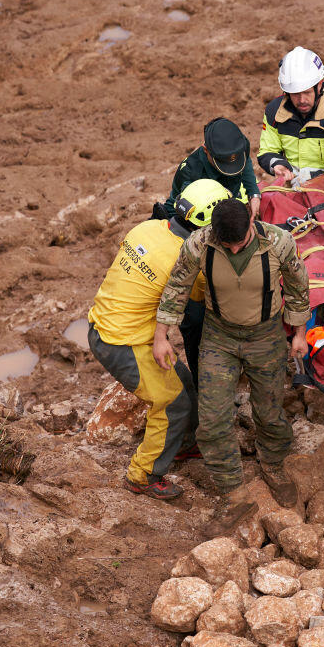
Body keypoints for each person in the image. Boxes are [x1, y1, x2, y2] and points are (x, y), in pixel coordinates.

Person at [154, 199, 311, 536]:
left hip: (266, 335)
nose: (236, 247)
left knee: (268, 412)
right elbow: (177, 285)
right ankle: (234, 492)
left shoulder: (278, 242)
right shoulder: (199, 243)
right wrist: (161, 336)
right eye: (229, 244)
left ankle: (272, 463)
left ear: (253, 219)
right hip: (219, 336)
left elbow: (298, 286)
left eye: (241, 241)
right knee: (211, 420)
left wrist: (299, 333)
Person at [88, 179, 229, 499]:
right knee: (172, 403)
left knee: (182, 381)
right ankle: (143, 475)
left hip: (104, 324)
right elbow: (205, 297)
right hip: (124, 343)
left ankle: (183, 443)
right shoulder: (184, 260)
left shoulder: (146, 228)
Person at [258, 46, 324, 188]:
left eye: (307, 92)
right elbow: (267, 151)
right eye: (295, 94)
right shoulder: (274, 112)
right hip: (295, 185)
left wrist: (322, 176)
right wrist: (277, 165)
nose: (301, 100)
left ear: (319, 86)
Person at [158, 118, 261, 219]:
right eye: (223, 163)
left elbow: (245, 161)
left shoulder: (239, 145)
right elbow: (188, 215)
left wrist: (253, 193)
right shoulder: (191, 172)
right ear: (206, 150)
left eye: (235, 162)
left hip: (228, 198)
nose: (231, 169)